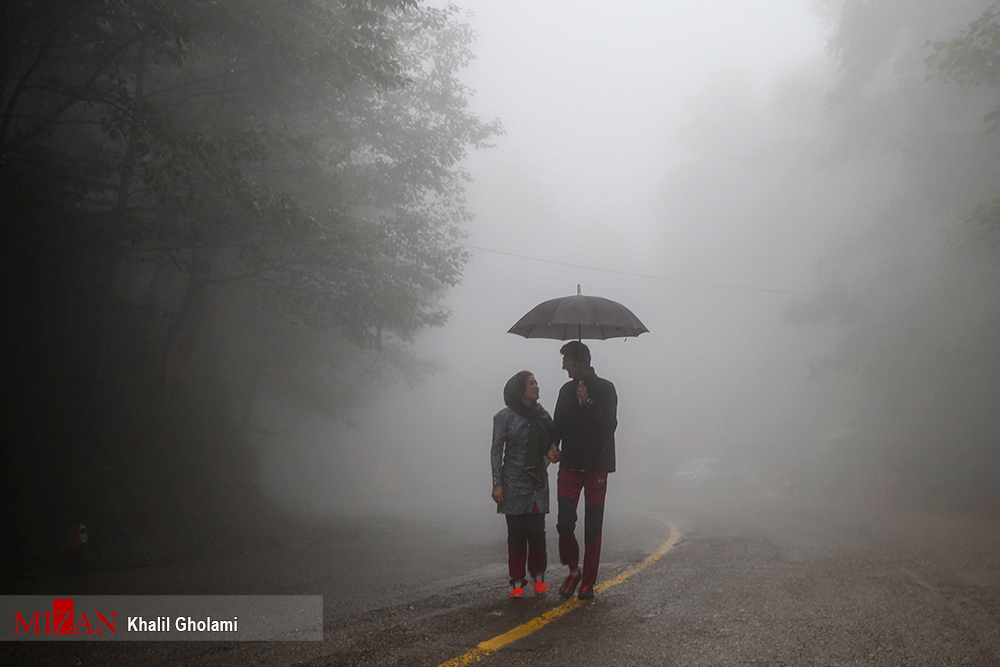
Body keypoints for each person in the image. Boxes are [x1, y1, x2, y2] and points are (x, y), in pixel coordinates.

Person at [547, 340, 618, 601]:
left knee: (593, 526)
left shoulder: (606, 389)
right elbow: (558, 425)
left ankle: (588, 583)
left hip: (597, 466)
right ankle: (573, 570)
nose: (563, 366)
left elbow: (609, 425)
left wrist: (587, 401)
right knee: (564, 523)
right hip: (570, 465)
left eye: (566, 361)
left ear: (579, 362)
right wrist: (553, 444)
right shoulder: (566, 391)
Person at [491, 371, 554, 598]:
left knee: (537, 531)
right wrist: (497, 483)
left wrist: (552, 453)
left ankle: (539, 576)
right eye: (531, 383)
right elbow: (496, 451)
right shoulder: (504, 417)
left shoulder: (543, 417)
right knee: (516, 533)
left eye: (536, 382)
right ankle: (517, 580)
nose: (536, 386)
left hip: (536, 481)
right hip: (512, 482)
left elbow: (550, 445)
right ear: (520, 391)